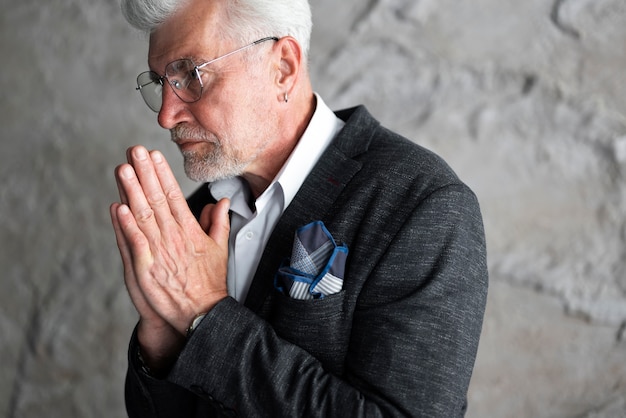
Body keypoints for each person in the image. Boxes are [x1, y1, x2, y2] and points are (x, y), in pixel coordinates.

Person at [109, 0, 489, 416]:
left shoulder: (422, 206)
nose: (166, 115)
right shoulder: (199, 214)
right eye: (161, 81)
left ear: (283, 68)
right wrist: (163, 338)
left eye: (191, 75)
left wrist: (204, 313)